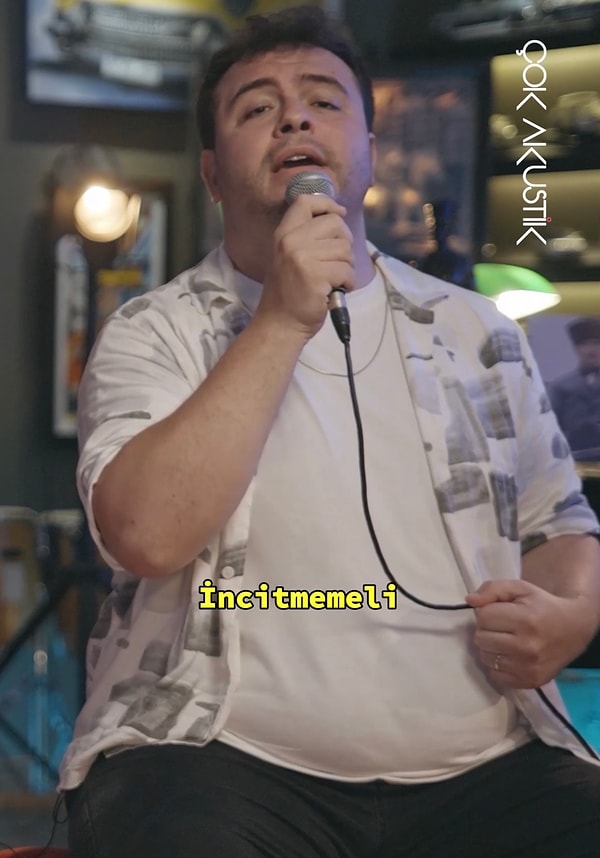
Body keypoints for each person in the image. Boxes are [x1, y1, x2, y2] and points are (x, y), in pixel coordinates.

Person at [60, 6, 600, 857]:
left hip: (484, 769)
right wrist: (281, 318)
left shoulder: (477, 331)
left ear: (371, 154)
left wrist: (570, 616)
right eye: (257, 108)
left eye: (323, 101)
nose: (295, 119)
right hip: (214, 760)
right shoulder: (153, 332)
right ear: (212, 172)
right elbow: (145, 535)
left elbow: (560, 525)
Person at [548, 316, 600, 459]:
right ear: (576, 348)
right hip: (574, 458)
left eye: (596, 343)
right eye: (584, 344)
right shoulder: (560, 386)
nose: (591, 350)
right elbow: (551, 426)